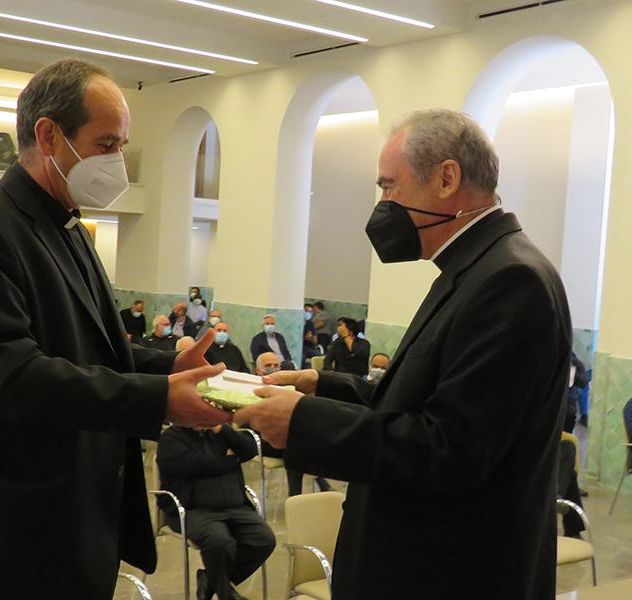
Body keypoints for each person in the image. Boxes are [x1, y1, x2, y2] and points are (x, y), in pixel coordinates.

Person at [236, 109, 572, 598]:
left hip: (447, 573)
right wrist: (321, 385)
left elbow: (448, 450)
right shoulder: (476, 267)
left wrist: (303, 421)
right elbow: (423, 399)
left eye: (389, 187)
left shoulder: (509, 281)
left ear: (446, 178)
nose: (383, 204)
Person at [0, 58, 230, 599]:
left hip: (80, 514)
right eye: (106, 144)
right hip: (20, 523)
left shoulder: (70, 228)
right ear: (48, 135)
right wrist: (158, 398)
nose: (117, 161)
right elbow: (11, 377)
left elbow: (90, 347)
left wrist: (169, 368)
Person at [157, 422, 276, 600]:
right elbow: (192, 465)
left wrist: (222, 429)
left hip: (236, 508)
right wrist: (230, 460)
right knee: (220, 541)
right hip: (192, 510)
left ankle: (210, 580)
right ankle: (225, 594)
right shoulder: (171, 437)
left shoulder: (220, 434)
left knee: (264, 539)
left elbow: (250, 449)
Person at [253, 352, 330, 496]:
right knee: (297, 444)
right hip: (263, 439)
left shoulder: (285, 388)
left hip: (286, 438)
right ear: (258, 370)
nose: (273, 368)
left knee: (299, 442)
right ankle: (314, 486)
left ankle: (296, 495)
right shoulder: (250, 388)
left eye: (276, 365)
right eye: (268, 366)